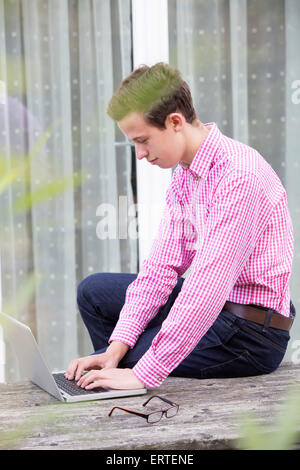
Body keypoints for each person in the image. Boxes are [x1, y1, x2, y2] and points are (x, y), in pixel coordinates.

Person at [65, 62, 295, 391]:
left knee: (138, 363)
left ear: (175, 121)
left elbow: (207, 285)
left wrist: (144, 371)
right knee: (94, 293)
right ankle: (115, 372)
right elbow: (161, 267)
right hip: (219, 312)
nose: (140, 154)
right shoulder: (187, 174)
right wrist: (114, 349)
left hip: (249, 334)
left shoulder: (239, 176)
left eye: (143, 141)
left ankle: (126, 386)